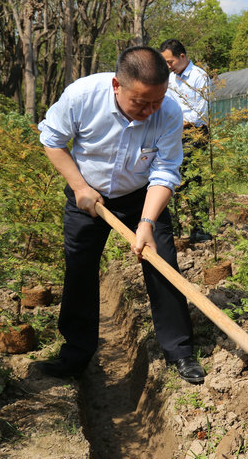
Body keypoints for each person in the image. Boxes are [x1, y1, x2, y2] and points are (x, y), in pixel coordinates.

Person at [36, 46, 205, 384]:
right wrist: (80, 187)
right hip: (88, 193)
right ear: (117, 85)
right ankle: (75, 355)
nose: (148, 110)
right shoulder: (81, 96)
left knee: (162, 264)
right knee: (80, 270)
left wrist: (146, 223)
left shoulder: (168, 112)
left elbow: (166, 170)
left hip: (142, 195)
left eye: (155, 102)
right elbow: (52, 140)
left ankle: (180, 351)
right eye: (140, 102)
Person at [160, 38, 212, 243]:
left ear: (182, 57)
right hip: (172, 133)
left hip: (194, 134)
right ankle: (172, 226)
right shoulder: (170, 79)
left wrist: (176, 123)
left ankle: (200, 228)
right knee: (169, 176)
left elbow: (199, 113)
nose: (168, 66)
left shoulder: (200, 77)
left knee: (193, 179)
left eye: (170, 61)